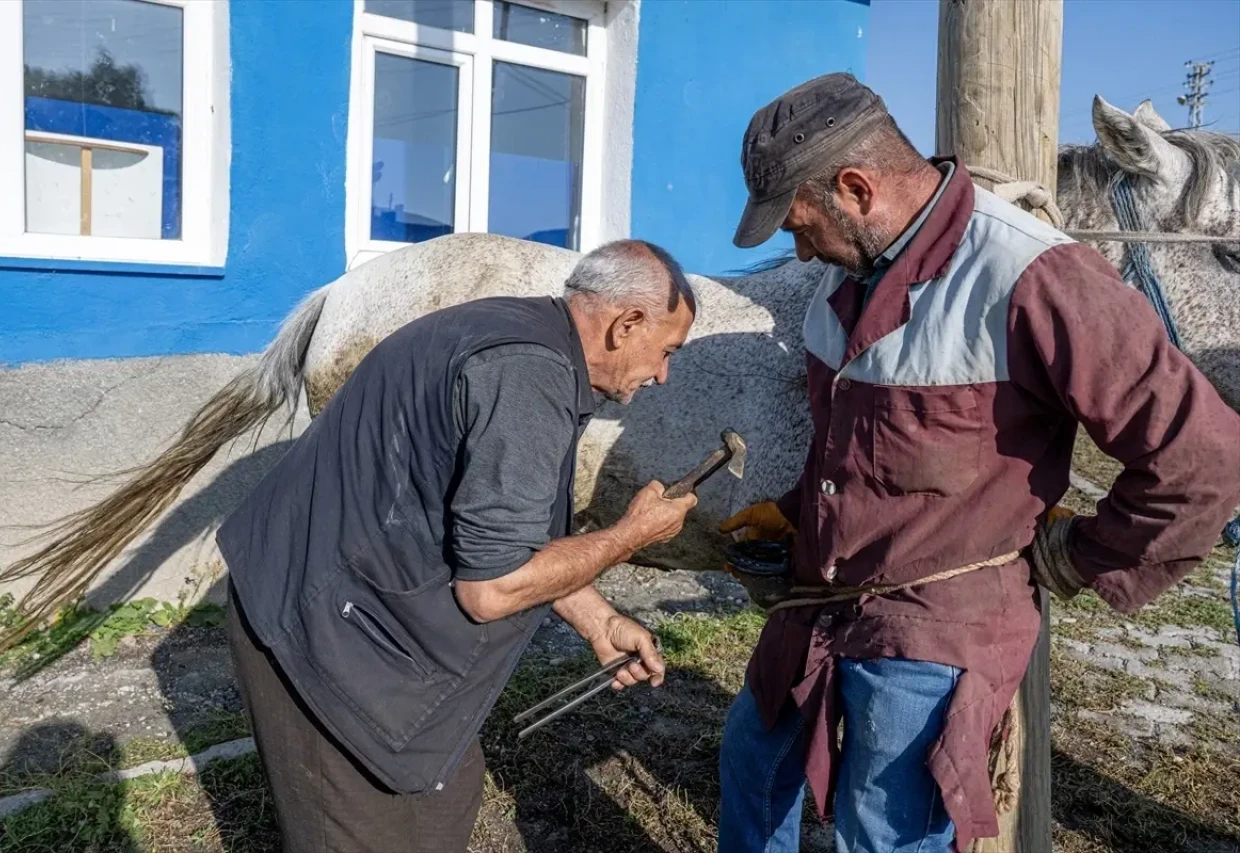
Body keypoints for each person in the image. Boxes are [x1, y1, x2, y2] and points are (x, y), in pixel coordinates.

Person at [715, 73, 1240, 853]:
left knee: (883, 830)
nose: (796, 250)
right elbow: (856, 446)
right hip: (820, 593)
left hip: (936, 622)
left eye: (798, 225)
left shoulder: (1035, 276)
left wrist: (1080, 558)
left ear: (857, 189)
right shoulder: (845, 276)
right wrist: (792, 512)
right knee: (752, 763)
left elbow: (1202, 458)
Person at [216, 239, 700, 853]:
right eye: (665, 351)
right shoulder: (528, 375)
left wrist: (598, 620)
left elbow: (501, 528)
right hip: (317, 634)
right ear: (626, 323)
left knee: (443, 797)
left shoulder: (522, 333)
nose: (663, 374)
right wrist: (633, 535)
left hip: (351, 604)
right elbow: (492, 589)